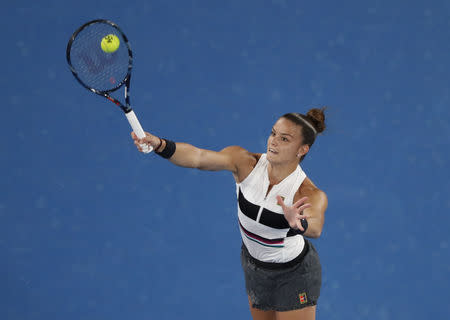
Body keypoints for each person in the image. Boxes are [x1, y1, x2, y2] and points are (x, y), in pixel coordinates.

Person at [131, 108, 328, 320]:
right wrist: (160, 145)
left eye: (284, 139)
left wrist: (299, 223)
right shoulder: (245, 162)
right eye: (273, 134)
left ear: (302, 149)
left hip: (295, 274)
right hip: (256, 267)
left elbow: (315, 226)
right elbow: (198, 157)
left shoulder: (307, 192)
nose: (273, 142)